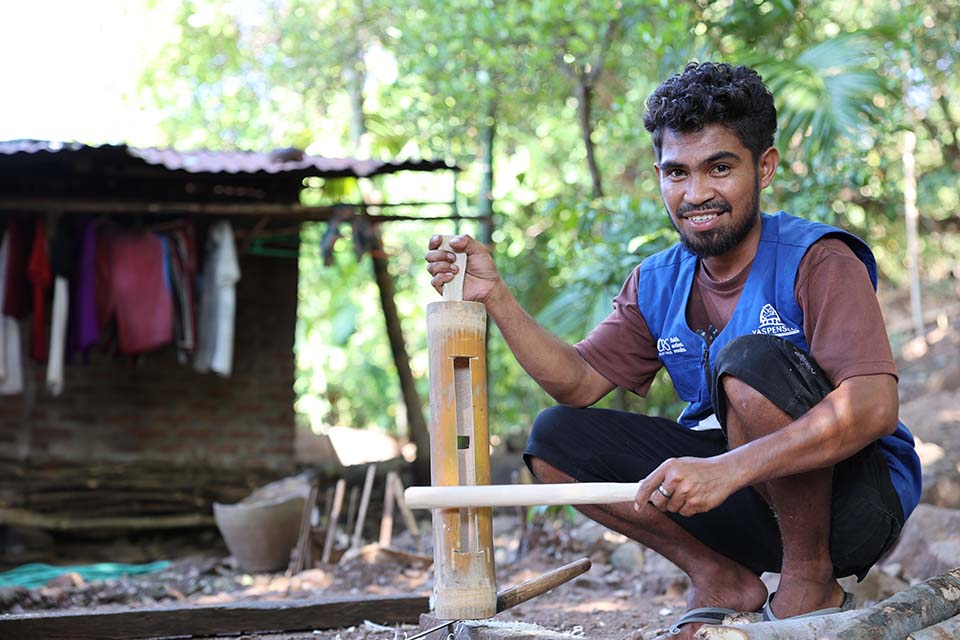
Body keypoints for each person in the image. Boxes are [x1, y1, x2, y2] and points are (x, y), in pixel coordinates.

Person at [424, 62, 921, 638]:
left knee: (750, 362)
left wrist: (725, 469)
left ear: (765, 167)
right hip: (742, 500)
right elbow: (578, 381)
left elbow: (874, 406)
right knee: (554, 439)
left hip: (853, 508)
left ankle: (808, 584)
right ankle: (720, 579)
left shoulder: (818, 260)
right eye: (676, 173)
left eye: (719, 168)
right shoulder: (658, 280)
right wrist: (497, 299)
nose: (696, 194)